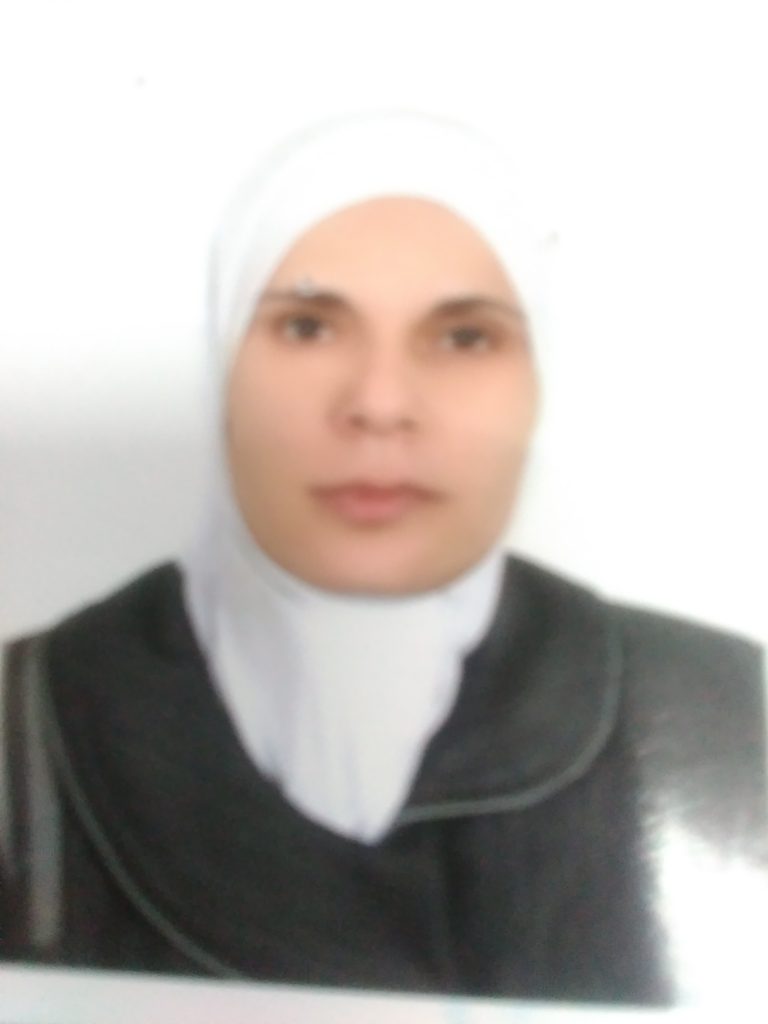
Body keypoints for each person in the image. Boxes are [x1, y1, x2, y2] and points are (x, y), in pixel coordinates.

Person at [1, 111, 766, 1006]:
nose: (379, 403)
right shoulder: (28, 722)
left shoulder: (716, 715)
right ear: (221, 368)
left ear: (539, 379)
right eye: (307, 327)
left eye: (464, 336)